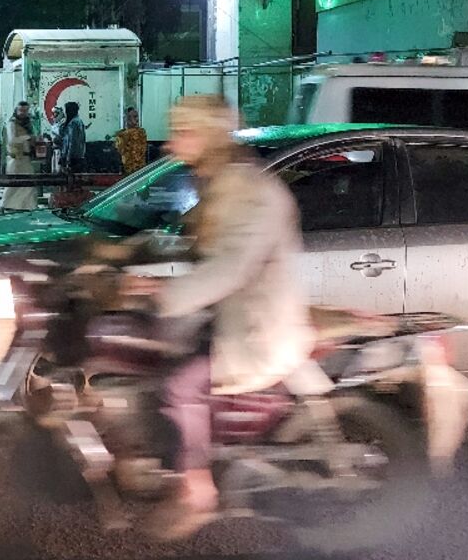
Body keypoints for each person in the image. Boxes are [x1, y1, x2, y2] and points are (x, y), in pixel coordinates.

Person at [123, 95, 315, 541]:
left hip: (255, 326)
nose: (170, 144)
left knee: (179, 384)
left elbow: (231, 266)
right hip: (229, 313)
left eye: (182, 132)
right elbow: (198, 245)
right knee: (151, 352)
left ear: (208, 135)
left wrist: (165, 296)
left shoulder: (246, 189)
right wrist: (131, 255)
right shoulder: (217, 180)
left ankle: (196, 489)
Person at [1, 101, 38, 213]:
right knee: (13, 184)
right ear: (16, 110)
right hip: (15, 159)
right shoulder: (11, 123)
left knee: (29, 184)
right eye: (21, 110)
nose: (23, 113)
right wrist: (27, 137)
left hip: (26, 158)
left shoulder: (28, 124)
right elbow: (12, 140)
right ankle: (5, 205)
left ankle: (29, 206)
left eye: (25, 110)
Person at [114, 106, 149, 176]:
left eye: (137, 116)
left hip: (139, 168)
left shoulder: (140, 132)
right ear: (127, 119)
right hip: (127, 169)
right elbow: (120, 150)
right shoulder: (122, 135)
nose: (137, 119)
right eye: (135, 117)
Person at [60, 101, 87, 174]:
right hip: (79, 154)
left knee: (70, 178)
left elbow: (71, 141)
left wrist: (68, 157)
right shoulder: (79, 121)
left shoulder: (73, 123)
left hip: (72, 155)